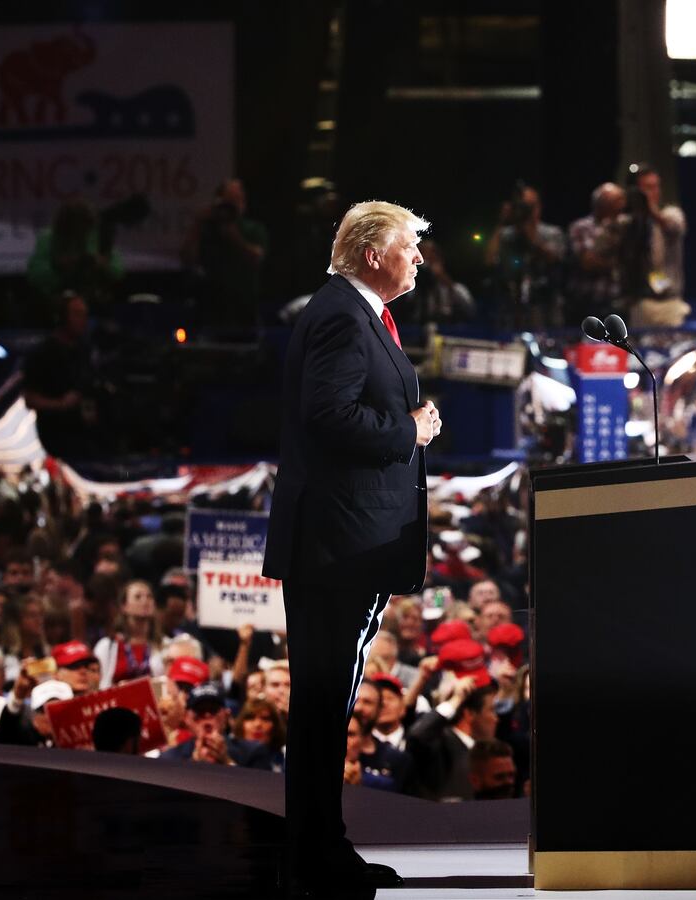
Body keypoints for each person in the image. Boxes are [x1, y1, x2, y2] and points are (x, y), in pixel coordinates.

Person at [262, 200, 438, 894]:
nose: (419, 258)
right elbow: (328, 414)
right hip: (335, 544)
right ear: (372, 253)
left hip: (344, 543)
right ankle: (313, 857)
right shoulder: (341, 313)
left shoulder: (355, 312)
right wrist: (410, 429)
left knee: (328, 703)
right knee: (322, 704)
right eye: (409, 246)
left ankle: (319, 849)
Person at [21, 291, 99, 460]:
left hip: (87, 437)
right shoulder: (43, 353)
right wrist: (61, 404)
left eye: (85, 314)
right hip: (56, 437)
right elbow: (30, 399)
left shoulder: (86, 351)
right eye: (77, 314)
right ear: (61, 318)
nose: (83, 320)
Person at [182, 177, 268, 327]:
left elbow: (256, 258)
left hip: (244, 307)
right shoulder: (208, 229)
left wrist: (233, 236)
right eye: (228, 200)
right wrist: (198, 224)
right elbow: (188, 259)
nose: (232, 204)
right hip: (210, 307)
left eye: (237, 199)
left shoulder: (253, 229)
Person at [484, 182, 566, 329]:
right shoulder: (507, 234)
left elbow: (554, 258)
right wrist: (502, 222)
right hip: (511, 304)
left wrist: (527, 233)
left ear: (538, 208)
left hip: (543, 304)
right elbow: (489, 260)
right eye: (520, 206)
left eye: (527, 206)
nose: (523, 211)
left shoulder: (552, 233)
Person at [617, 164, 689, 329]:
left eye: (656, 186)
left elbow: (674, 227)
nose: (654, 192)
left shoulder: (670, 213)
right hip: (639, 301)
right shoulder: (627, 220)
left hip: (668, 301)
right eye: (647, 188)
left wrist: (651, 211)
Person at [406, 679, 499, 801]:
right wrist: (456, 700)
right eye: (491, 710)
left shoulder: (488, 751)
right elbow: (417, 735)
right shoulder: (439, 742)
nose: (496, 719)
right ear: (469, 714)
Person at [160, 683, 275, 769]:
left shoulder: (253, 752)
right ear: (187, 719)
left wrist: (227, 762)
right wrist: (194, 765)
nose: (207, 719)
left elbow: (260, 795)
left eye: (213, 710)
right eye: (199, 712)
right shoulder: (169, 759)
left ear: (226, 716)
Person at [566, 182, 625, 318]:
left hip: (618, 302)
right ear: (599, 204)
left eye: (621, 200)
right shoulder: (580, 227)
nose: (620, 206)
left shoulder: (626, 225)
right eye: (614, 202)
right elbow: (587, 262)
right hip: (587, 302)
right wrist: (617, 264)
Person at [93, 579, 164, 689]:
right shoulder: (107, 646)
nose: (145, 601)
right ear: (124, 606)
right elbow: (96, 683)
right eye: (138, 597)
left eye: (149, 597)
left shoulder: (164, 645)